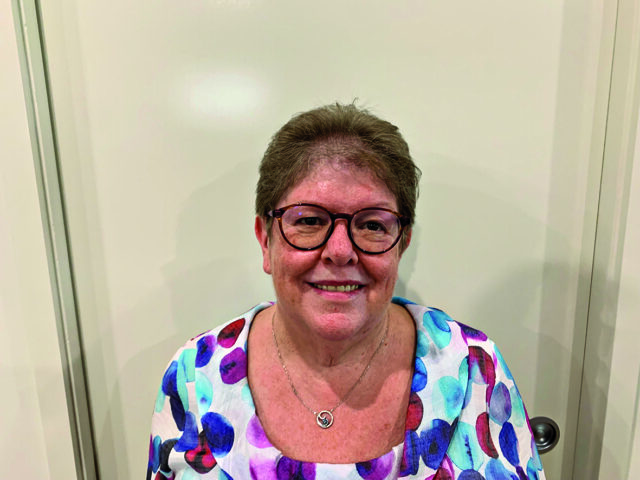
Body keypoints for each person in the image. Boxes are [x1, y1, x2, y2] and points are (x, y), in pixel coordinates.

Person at [147, 103, 545, 480]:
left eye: (372, 225)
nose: (340, 251)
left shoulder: (476, 367)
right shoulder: (194, 374)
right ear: (265, 240)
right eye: (309, 221)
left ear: (402, 244)